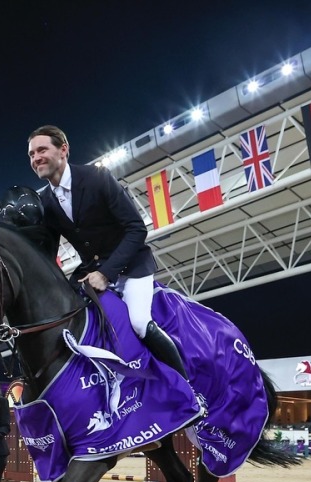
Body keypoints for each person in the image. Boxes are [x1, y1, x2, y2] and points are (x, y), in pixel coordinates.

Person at [27, 124, 189, 381]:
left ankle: (189, 391)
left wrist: (105, 273)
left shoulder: (96, 177)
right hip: (91, 271)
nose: (36, 158)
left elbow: (136, 229)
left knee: (138, 322)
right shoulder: (45, 201)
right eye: (31, 155)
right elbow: (47, 254)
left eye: (41, 150)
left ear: (63, 150)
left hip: (132, 268)